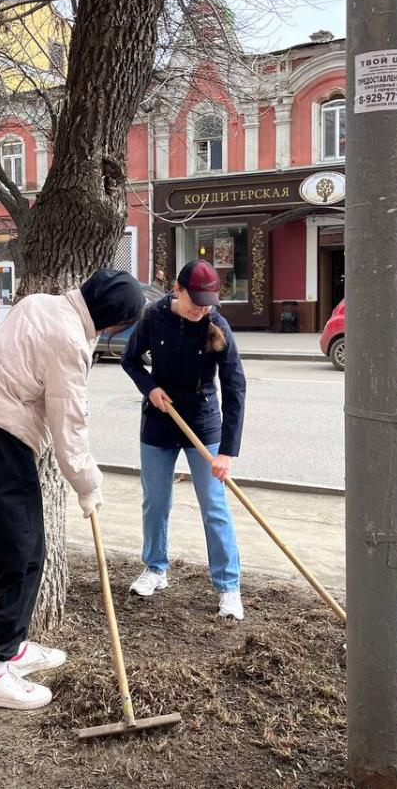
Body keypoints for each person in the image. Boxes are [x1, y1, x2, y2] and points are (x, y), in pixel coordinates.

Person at [0, 269, 144, 710]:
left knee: (23, 548)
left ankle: (14, 645)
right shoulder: (70, 341)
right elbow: (69, 425)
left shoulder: (40, 302)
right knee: (21, 554)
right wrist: (87, 484)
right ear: (111, 319)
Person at [121, 260, 248, 620]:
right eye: (196, 301)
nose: (202, 309)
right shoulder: (153, 316)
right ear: (177, 291)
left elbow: (236, 388)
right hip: (160, 422)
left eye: (208, 302)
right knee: (156, 502)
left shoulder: (217, 325)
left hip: (202, 423)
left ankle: (228, 587)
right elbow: (130, 360)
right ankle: (156, 568)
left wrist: (227, 451)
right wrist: (151, 389)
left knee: (214, 507)